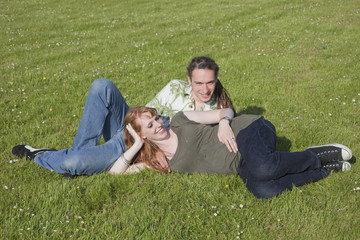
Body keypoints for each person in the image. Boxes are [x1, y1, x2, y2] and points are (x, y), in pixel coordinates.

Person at [12, 56, 233, 177]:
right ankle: (80, 155)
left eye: (210, 82)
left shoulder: (216, 107)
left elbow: (200, 146)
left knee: (73, 161)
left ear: (216, 80)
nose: (205, 89)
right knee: (102, 86)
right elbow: (147, 112)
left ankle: (40, 155)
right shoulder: (175, 87)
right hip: (141, 126)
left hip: (144, 143)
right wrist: (137, 126)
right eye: (199, 83)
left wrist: (224, 121)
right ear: (189, 79)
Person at [122, 106, 353, 199]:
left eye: (155, 119)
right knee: (263, 190)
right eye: (150, 126)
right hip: (240, 165)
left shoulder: (181, 120)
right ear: (142, 135)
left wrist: (223, 123)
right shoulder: (158, 161)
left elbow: (226, 111)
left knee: (264, 167)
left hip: (247, 131)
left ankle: (316, 155)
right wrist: (134, 146)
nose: (158, 125)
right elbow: (116, 173)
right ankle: (322, 170)